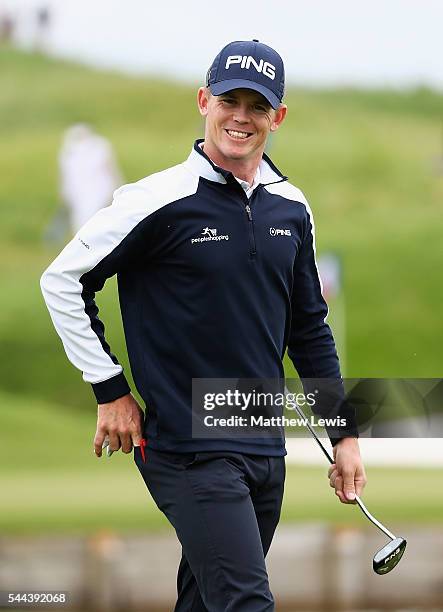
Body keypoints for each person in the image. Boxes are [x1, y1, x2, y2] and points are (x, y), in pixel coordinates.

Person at [40, 40, 367, 612]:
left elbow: (310, 330)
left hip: (264, 448)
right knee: (245, 604)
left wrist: (343, 434)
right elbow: (63, 280)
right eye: (229, 100)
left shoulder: (291, 206)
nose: (241, 117)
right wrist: (110, 389)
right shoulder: (155, 200)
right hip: (188, 449)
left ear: (277, 117)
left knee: (207, 602)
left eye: (257, 106)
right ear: (203, 101)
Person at [58, 123, 123, 233]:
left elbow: (110, 168)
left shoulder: (100, 147)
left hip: (98, 191)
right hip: (80, 194)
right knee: (82, 222)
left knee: (95, 220)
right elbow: (66, 176)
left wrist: (116, 186)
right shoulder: (69, 151)